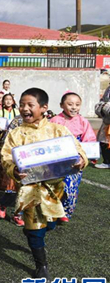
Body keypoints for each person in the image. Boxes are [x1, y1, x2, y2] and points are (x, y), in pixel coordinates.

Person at [1, 88, 87, 280]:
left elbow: (78, 149)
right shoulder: (16, 133)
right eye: (22, 104)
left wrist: (81, 159)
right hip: (29, 189)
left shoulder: (58, 130)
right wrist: (13, 169)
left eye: (30, 105)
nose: (24, 109)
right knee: (35, 229)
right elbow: (6, 157)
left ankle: (37, 233)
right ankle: (42, 266)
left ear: (44, 108)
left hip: (54, 190)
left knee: (50, 225)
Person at [50, 92, 96, 222]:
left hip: (76, 161)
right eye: (70, 104)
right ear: (61, 105)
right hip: (58, 161)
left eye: (77, 104)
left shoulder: (83, 121)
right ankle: (53, 210)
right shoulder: (55, 120)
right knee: (57, 186)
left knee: (71, 187)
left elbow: (89, 140)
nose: (74, 107)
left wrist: (84, 156)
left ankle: (65, 212)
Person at [94, 83, 110, 168]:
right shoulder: (108, 89)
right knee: (104, 140)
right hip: (107, 121)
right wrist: (102, 107)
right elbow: (103, 101)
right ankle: (106, 161)